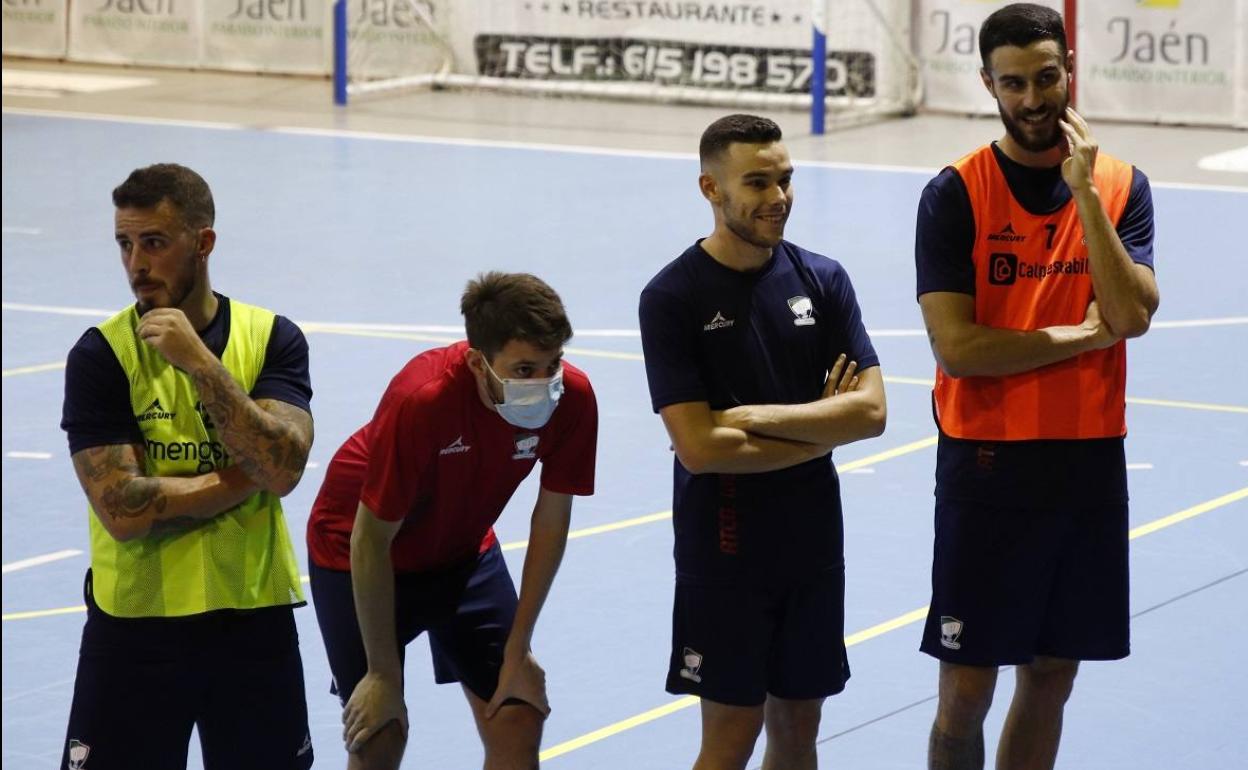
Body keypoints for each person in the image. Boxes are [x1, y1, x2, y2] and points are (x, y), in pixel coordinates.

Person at [913, 5, 1160, 769]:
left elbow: (1132, 315)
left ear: (1068, 71)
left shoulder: (1121, 185)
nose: (1032, 99)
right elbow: (959, 350)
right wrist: (1081, 338)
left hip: (1087, 462)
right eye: (1013, 83)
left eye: (1045, 78)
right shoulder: (955, 192)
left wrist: (1083, 194)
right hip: (988, 465)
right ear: (988, 83)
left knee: (1051, 677)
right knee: (965, 692)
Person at [638, 114, 888, 770]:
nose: (778, 196)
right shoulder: (671, 297)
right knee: (731, 737)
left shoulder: (822, 280)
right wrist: (817, 429)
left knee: (799, 731)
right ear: (710, 189)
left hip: (811, 544)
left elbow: (871, 413)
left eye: (784, 179)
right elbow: (699, 448)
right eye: (757, 182)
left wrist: (748, 417)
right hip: (723, 551)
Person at [60, 163, 316, 770]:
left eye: (154, 242)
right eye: (125, 244)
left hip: (252, 628)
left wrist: (199, 362)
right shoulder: (101, 356)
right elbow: (122, 507)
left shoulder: (272, 339)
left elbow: (281, 467)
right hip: (135, 634)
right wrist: (240, 475)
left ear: (202, 243)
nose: (136, 264)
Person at [306, 271, 598, 770]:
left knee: (517, 714)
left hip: (462, 551)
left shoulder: (571, 399)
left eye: (553, 365)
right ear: (476, 362)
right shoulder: (422, 400)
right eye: (524, 369)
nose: (542, 384)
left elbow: (551, 521)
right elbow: (370, 539)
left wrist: (519, 649)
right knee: (380, 736)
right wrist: (381, 675)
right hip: (359, 552)